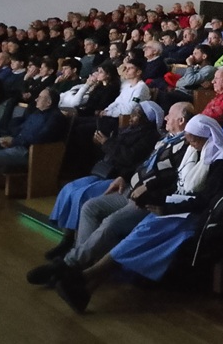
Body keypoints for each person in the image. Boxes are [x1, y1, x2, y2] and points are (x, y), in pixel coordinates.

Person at [54, 114, 223, 313]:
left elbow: (206, 200)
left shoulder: (222, 160)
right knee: (139, 234)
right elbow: (178, 185)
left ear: (206, 136)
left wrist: (166, 207)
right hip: (180, 210)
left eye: (193, 139)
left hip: (199, 217)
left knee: (141, 235)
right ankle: (86, 289)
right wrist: (157, 198)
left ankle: (85, 276)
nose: (189, 143)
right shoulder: (197, 152)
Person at [26, 103, 193, 287]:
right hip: (130, 188)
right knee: (90, 206)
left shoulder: (187, 145)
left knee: (111, 222)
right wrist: (125, 176)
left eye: (170, 115)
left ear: (181, 120)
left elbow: (173, 178)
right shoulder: (165, 139)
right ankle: (79, 264)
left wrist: (147, 190)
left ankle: (69, 265)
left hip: (148, 199)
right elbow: (143, 165)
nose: (166, 118)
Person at [43, 101, 165, 257]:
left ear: (147, 119)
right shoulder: (127, 129)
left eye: (136, 115)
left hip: (120, 176)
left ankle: (76, 247)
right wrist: (101, 143)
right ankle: (67, 238)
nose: (132, 117)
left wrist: (107, 143)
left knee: (83, 195)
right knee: (70, 188)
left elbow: (129, 158)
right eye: (133, 113)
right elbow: (109, 152)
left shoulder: (150, 137)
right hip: (105, 171)